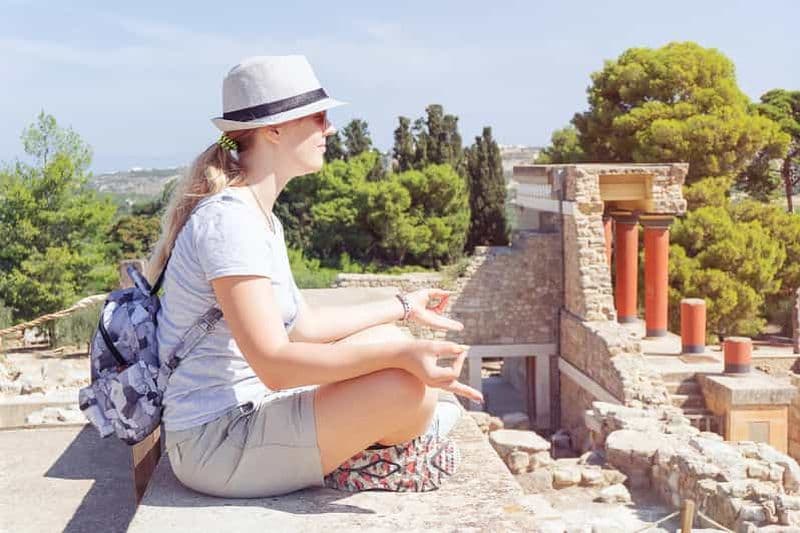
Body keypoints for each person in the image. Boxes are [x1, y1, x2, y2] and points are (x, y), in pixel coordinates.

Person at [145, 55, 483, 498]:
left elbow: (304, 327)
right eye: (319, 117)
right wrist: (403, 357)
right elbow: (275, 366)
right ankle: (372, 457)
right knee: (407, 388)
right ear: (274, 129)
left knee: (387, 339)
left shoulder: (258, 216)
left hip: (246, 415)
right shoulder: (230, 223)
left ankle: (371, 446)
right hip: (217, 443)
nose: (330, 129)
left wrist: (403, 308)